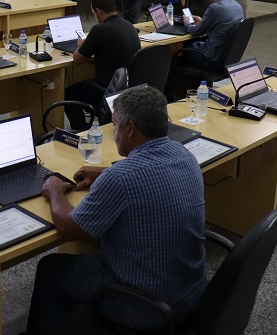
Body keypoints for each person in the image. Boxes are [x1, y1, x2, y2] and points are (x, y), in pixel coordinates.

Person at [26, 86, 206, 335]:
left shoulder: (121, 178)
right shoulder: (184, 155)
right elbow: (146, 172)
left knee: (50, 269)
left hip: (142, 307)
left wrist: (55, 190)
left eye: (115, 126)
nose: (114, 133)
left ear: (130, 128)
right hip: (189, 294)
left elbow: (67, 228)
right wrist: (105, 172)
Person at [64, 0, 140, 129]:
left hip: (108, 90)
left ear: (98, 12)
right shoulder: (129, 25)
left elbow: (77, 59)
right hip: (129, 87)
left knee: (69, 93)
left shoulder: (99, 30)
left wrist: (81, 45)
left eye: (94, 13)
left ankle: (81, 130)